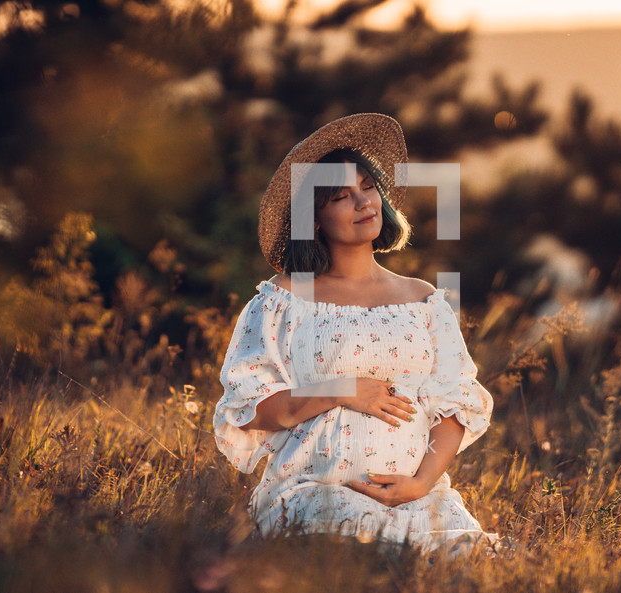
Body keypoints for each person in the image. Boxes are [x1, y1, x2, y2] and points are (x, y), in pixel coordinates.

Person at [212, 113, 496, 555]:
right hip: (315, 492)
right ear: (315, 219)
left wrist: (419, 484)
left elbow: (455, 402)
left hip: (416, 499)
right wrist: (342, 390)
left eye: (368, 187)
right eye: (342, 196)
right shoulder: (282, 301)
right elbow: (252, 409)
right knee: (356, 554)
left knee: (476, 561)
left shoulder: (423, 301)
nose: (365, 202)